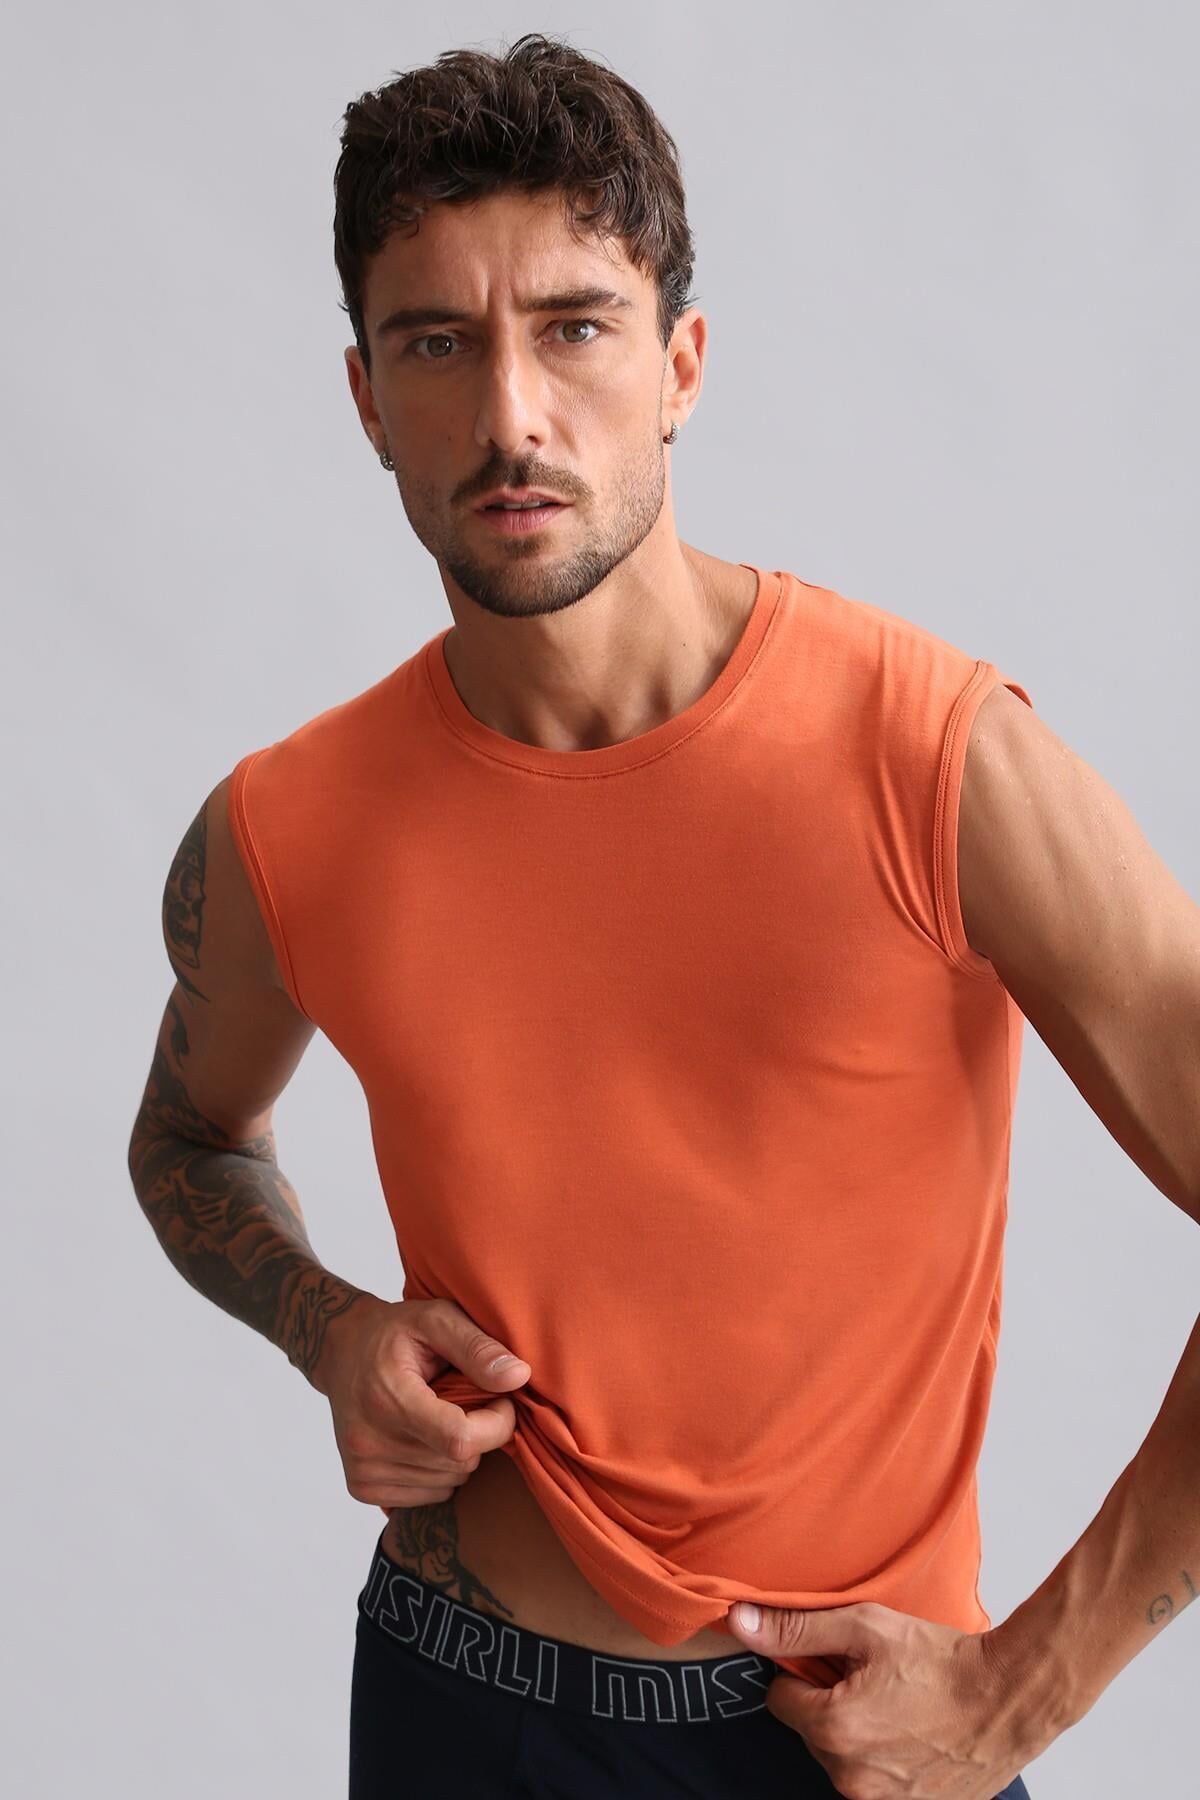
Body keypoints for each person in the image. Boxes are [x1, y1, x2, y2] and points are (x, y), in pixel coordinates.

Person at [127, 32, 1200, 1800]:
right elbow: (187, 1136)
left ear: (681, 362)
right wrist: (330, 1328)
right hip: (456, 1702)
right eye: (437, 344)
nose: (511, 417)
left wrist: (1028, 1690)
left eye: (574, 328)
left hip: (850, 1741)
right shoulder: (284, 826)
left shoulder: (933, 759)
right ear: (365, 396)